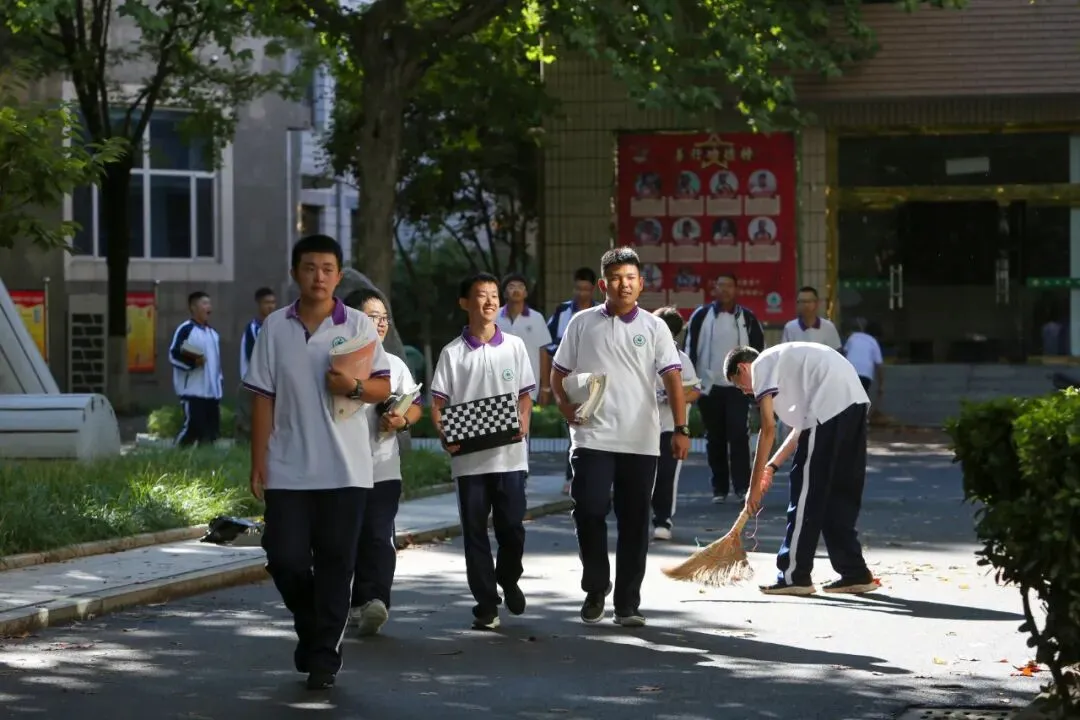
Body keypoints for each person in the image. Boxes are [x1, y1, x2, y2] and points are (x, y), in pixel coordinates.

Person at [243, 234, 392, 691]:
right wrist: (259, 461)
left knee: (335, 564)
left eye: (328, 269)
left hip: (346, 470)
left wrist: (350, 386)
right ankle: (313, 628)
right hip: (288, 466)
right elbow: (263, 400)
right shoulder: (275, 328)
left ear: (339, 275)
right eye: (310, 268)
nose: (319, 277)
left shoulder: (359, 327)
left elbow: (383, 388)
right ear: (295, 273)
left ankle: (324, 656)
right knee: (284, 557)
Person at [551, 247, 690, 627]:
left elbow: (673, 379)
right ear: (602, 284)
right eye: (615, 278)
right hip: (591, 437)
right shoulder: (581, 323)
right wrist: (565, 408)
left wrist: (680, 428)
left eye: (630, 278)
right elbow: (558, 372)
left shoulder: (655, 327)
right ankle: (596, 586)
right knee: (589, 509)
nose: (623, 284)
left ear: (641, 284)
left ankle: (628, 604)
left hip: (641, 440)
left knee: (634, 521)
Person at [724, 342, 877, 596]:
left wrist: (752, 489)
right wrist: (771, 467)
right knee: (837, 496)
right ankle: (854, 572)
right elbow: (803, 430)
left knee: (806, 494)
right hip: (854, 405)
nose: (744, 391)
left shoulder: (762, 366)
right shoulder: (789, 368)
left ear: (742, 367)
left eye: (739, 383)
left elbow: (768, 430)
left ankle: (793, 574)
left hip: (831, 408)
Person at [431, 272, 536, 631]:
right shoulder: (452, 353)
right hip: (470, 461)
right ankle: (486, 604)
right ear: (465, 303)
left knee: (512, 529)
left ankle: (508, 577)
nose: (490, 301)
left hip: (510, 457)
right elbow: (438, 404)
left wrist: (523, 420)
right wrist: (444, 433)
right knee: (475, 532)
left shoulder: (515, 346)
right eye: (481, 295)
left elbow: (525, 394)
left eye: (494, 295)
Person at [344, 288, 423, 637]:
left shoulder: (396, 364)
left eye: (384, 318)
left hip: (383, 466)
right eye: (372, 317)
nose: (380, 324)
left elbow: (416, 406)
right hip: (342, 469)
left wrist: (401, 420)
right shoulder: (337, 363)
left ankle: (376, 601)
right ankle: (355, 602)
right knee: (348, 538)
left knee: (379, 535)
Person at [684, 273, 765, 503]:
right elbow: (690, 349)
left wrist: (757, 384)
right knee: (715, 438)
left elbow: (759, 351)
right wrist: (691, 383)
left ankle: (742, 487)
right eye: (721, 285)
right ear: (715, 289)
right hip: (709, 386)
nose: (726, 290)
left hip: (738, 387)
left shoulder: (747, 318)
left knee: (738, 435)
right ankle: (719, 488)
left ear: (736, 289)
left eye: (730, 285)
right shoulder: (701, 316)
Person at [543, 267, 599, 493]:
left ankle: (594, 477)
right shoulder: (563, 311)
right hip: (568, 379)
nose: (582, 293)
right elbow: (548, 347)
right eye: (578, 288)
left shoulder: (601, 312)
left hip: (594, 380)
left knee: (594, 430)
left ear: (593, 289)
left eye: (586, 289)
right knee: (574, 427)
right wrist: (548, 385)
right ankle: (571, 476)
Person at [650, 307, 701, 541]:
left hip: (671, 426)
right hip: (642, 426)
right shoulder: (641, 355)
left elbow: (695, 391)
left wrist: (675, 397)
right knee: (641, 475)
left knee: (666, 475)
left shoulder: (681, 359)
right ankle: (639, 519)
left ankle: (663, 520)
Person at [168, 291, 223, 447]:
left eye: (209, 303)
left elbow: (217, 365)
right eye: (204, 303)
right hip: (192, 392)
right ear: (193, 307)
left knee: (210, 434)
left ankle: (206, 465)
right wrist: (192, 362)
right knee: (192, 429)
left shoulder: (213, 334)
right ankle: (175, 456)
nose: (208, 307)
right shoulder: (186, 329)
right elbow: (174, 354)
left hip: (212, 393)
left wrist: (219, 385)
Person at [495, 273, 553, 403]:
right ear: (504, 294)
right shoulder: (494, 317)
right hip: (498, 385)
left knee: (524, 422)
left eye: (520, 287)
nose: (516, 290)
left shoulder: (536, 318)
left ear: (525, 293)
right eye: (511, 287)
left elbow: (543, 353)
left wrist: (545, 387)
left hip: (528, 386)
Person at [236, 287, 277, 442]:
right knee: (247, 426)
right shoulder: (254, 329)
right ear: (259, 304)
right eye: (267, 302)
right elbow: (257, 358)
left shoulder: (274, 329)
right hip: (251, 385)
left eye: (273, 302)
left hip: (269, 386)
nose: (271, 306)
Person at [843, 317, 884, 399]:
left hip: (849, 372)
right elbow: (879, 366)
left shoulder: (852, 337)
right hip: (865, 374)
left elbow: (844, 355)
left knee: (848, 398)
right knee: (862, 398)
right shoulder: (873, 341)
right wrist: (881, 386)